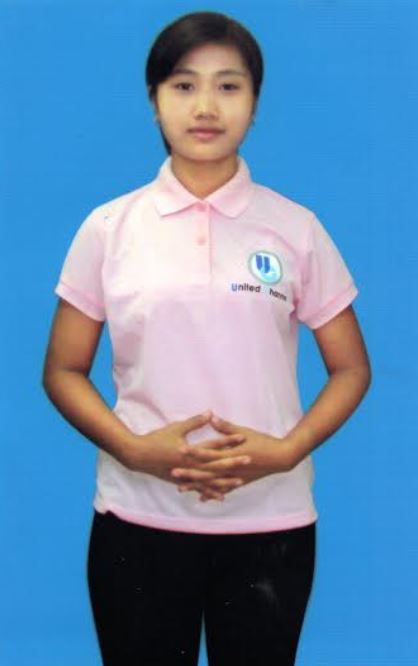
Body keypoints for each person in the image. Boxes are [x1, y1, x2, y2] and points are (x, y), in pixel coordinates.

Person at [42, 10, 371, 666]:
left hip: (270, 523)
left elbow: (352, 368)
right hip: (138, 518)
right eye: (184, 85)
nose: (206, 107)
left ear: (255, 103)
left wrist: (288, 451)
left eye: (229, 86)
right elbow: (62, 369)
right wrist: (133, 450)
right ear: (154, 100)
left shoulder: (295, 229)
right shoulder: (109, 228)